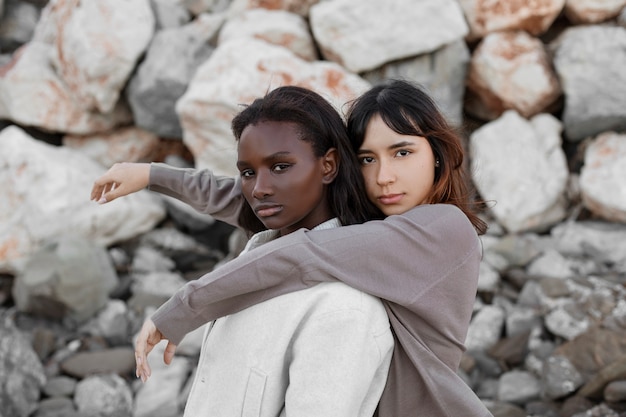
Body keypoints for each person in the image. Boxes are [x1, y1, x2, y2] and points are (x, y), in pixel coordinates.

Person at [93, 79, 492, 416]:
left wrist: (182, 310)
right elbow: (250, 198)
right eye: (367, 159)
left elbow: (306, 252)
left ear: (438, 156)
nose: (384, 176)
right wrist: (151, 174)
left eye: (402, 152)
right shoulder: (372, 222)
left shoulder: (444, 229)